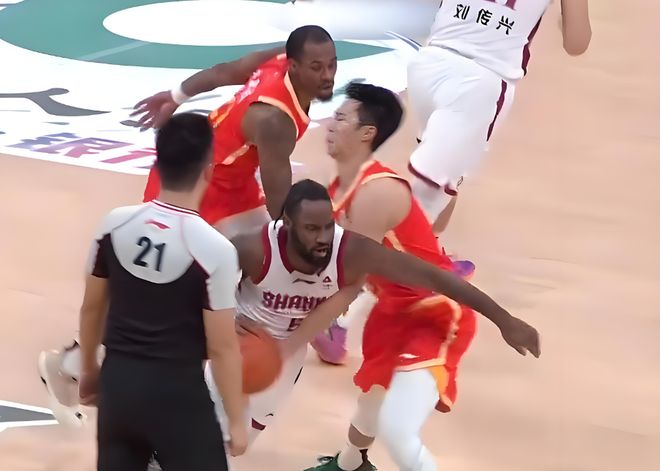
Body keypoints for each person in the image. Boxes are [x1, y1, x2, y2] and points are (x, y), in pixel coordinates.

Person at [205, 178, 540, 453]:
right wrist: (211, 338)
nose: (323, 237)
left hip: (285, 356)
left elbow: (436, 277)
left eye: (327, 226)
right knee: (202, 433)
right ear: (287, 224)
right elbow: (198, 295)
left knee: (237, 445)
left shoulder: (353, 252)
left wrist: (504, 319)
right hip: (236, 343)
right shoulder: (252, 248)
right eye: (311, 228)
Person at [304, 82, 540, 471]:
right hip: (393, 308)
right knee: (372, 396)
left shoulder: (376, 194)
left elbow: (353, 276)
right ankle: (350, 465)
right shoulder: (339, 188)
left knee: (397, 429)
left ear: (367, 133)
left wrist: (505, 320)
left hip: (434, 313)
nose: (329, 123)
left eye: (341, 118)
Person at [73, 113, 247, 470]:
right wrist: (237, 419)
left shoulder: (114, 224)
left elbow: (92, 309)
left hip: (118, 388)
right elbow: (222, 347)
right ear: (208, 171)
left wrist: (89, 369)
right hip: (177, 398)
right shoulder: (215, 250)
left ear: (157, 164)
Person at [407, 0, 591, 239]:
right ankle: (400, 253)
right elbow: (577, 43)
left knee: (447, 174)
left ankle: (429, 249)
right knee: (426, 198)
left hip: (429, 64)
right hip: (481, 83)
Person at [132, 24, 337, 239]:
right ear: (294, 65)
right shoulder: (275, 121)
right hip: (199, 185)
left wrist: (175, 96)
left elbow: (221, 73)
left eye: (332, 65)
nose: (328, 75)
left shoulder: (279, 58)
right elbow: (278, 202)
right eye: (316, 68)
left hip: (229, 175)